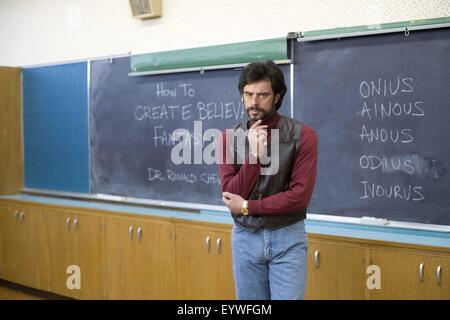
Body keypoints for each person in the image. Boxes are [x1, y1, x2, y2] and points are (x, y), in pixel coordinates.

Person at [217, 60, 318, 300]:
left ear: (277, 96)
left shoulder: (303, 136)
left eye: (262, 95)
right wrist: (254, 156)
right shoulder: (228, 138)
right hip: (245, 238)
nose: (254, 102)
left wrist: (247, 206)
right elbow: (231, 192)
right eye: (248, 94)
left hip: (288, 236)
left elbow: (298, 197)